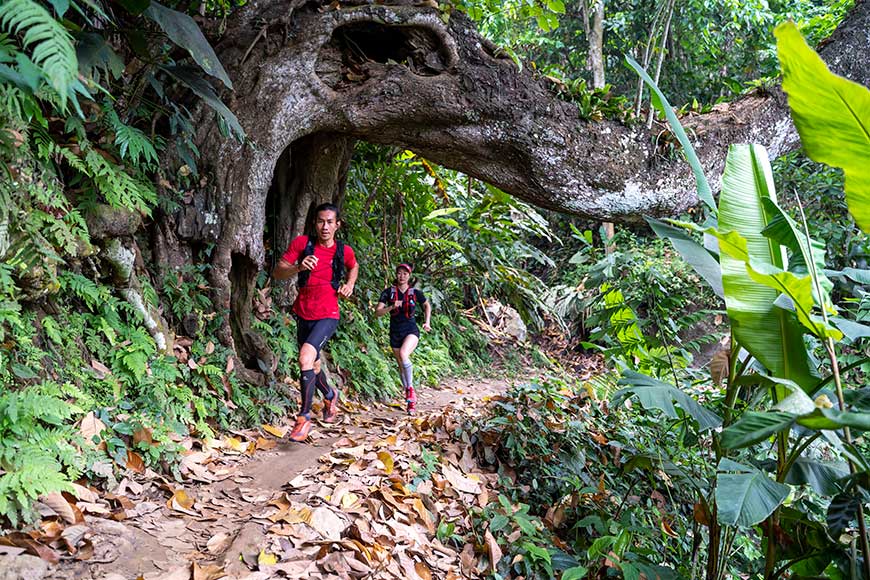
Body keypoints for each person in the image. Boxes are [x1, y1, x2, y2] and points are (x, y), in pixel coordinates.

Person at [272, 203, 358, 442]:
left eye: (330, 222)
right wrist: (299, 266)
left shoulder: (343, 251)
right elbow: (278, 272)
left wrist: (349, 285)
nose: (325, 226)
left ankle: (304, 418)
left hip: (328, 313)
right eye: (321, 221)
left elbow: (354, 266)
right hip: (303, 312)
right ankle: (330, 395)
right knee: (315, 366)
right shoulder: (302, 244)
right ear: (315, 223)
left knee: (305, 358)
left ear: (337, 225)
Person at [375, 263, 431, 414]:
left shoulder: (415, 293)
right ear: (396, 274)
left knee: (404, 354)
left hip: (411, 329)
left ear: (409, 276)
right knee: (401, 365)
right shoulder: (388, 293)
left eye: (405, 274)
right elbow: (378, 312)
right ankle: (409, 400)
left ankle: (411, 389)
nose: (402, 276)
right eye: (399, 273)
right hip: (395, 332)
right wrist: (391, 307)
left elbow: (427, 305)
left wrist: (427, 322)